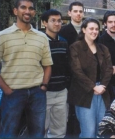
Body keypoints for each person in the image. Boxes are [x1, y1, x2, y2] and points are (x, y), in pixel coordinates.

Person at [0, 0, 53, 138]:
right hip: (12, 94)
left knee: (37, 133)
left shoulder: (42, 37)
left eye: (31, 8)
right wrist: (7, 90)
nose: (27, 11)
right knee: (8, 133)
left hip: (37, 94)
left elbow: (47, 65)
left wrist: (44, 86)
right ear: (16, 11)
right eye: (23, 7)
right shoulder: (2, 37)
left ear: (34, 13)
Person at [68, 18, 113, 138]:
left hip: (102, 92)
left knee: (102, 129)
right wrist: (93, 87)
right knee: (89, 131)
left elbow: (109, 69)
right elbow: (76, 71)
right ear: (84, 30)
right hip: (84, 93)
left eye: (97, 29)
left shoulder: (103, 48)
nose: (94, 31)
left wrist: (102, 86)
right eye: (91, 29)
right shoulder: (75, 47)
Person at [41, 9, 70, 138]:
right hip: (43, 92)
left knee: (59, 130)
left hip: (61, 92)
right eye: (53, 20)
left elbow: (67, 65)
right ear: (44, 23)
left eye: (59, 21)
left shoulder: (64, 42)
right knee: (40, 128)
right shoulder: (39, 41)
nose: (57, 23)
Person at [59, 1, 84, 137]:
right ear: (69, 13)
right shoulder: (63, 31)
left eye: (80, 11)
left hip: (86, 76)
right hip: (69, 77)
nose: (78, 14)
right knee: (70, 109)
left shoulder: (89, 29)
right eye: (75, 11)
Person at [98, 11, 115, 101]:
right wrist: (110, 68)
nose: (113, 24)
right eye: (110, 22)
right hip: (108, 84)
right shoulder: (99, 41)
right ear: (105, 23)